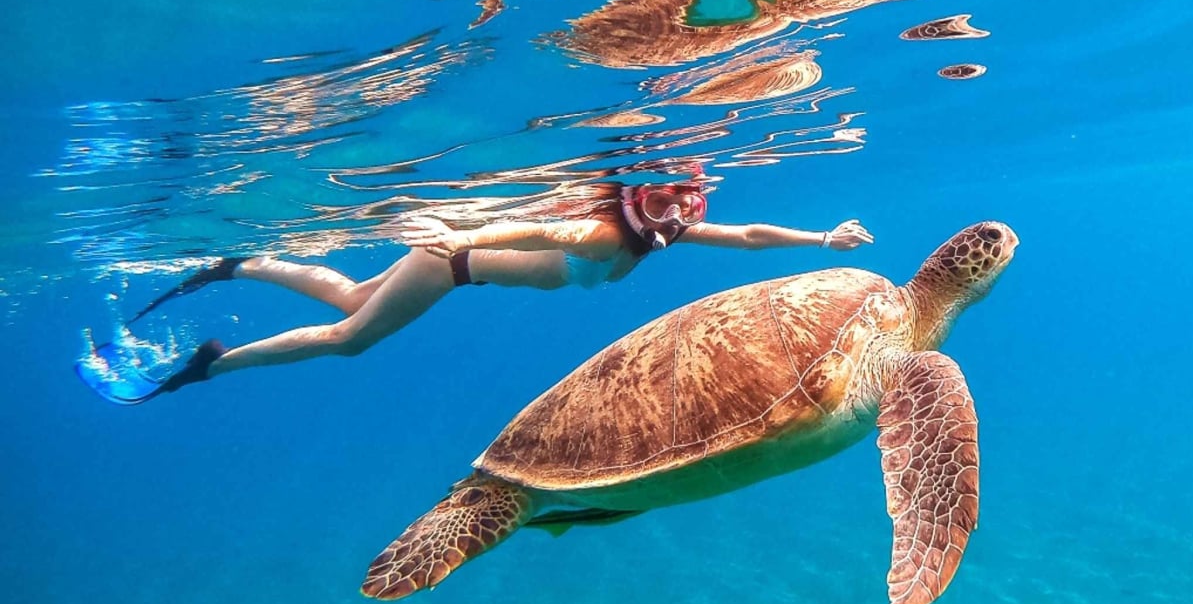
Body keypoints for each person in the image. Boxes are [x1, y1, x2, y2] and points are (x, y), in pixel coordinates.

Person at [78, 180, 873, 403]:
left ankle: (240, 264)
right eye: (667, 203)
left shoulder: (649, 233)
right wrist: (464, 238)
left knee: (353, 296)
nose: (679, 218)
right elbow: (554, 236)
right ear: (636, 197)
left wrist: (821, 238)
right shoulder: (606, 232)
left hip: (454, 256)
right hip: (451, 265)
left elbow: (746, 235)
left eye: (687, 207)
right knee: (350, 338)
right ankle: (209, 363)